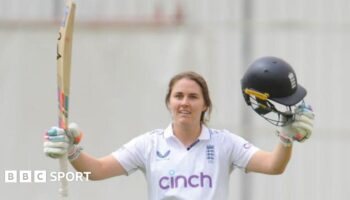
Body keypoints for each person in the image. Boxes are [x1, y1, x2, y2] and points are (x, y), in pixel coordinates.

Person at [44, 58, 314, 200]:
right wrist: (72, 151)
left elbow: (273, 165)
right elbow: (98, 170)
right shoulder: (148, 144)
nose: (185, 102)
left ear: (205, 105)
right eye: (179, 96)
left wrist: (285, 139)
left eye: (193, 97)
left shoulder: (224, 143)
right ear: (169, 102)